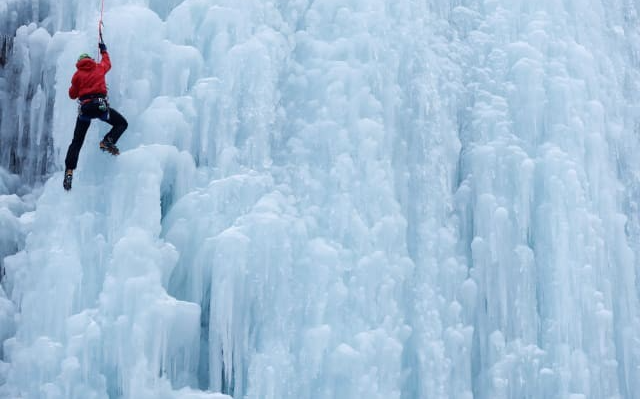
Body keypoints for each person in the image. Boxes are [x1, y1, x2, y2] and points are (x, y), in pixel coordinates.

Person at [63, 41, 128, 190]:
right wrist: (103, 49)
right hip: (101, 108)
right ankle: (107, 141)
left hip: (85, 110)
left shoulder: (77, 75)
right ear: (91, 59)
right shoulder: (99, 67)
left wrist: (77, 85)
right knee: (122, 123)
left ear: (79, 62)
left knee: (77, 142)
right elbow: (108, 63)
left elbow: (72, 95)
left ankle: (69, 171)